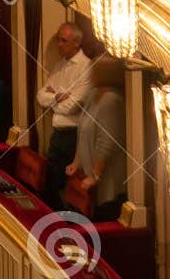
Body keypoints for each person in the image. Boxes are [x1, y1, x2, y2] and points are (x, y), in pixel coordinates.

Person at [36, 23, 92, 205]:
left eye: (63, 41)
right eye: (58, 40)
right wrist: (57, 97)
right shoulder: (60, 65)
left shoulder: (86, 67)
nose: (59, 44)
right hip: (57, 134)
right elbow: (40, 96)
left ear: (76, 43)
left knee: (66, 189)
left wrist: (53, 99)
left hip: (73, 136)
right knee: (51, 185)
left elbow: (72, 106)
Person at [67, 58, 127, 221]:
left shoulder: (111, 100)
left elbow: (108, 143)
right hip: (89, 176)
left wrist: (95, 175)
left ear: (105, 74)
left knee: (100, 219)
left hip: (107, 181)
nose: (90, 74)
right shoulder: (93, 94)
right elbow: (83, 131)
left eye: (94, 70)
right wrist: (76, 162)